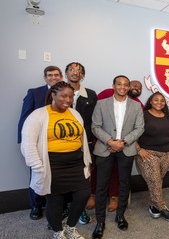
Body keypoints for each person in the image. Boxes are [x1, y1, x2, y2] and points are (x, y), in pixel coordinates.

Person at [20, 81, 91, 239]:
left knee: (83, 194)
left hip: (75, 163)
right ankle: (58, 232)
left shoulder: (75, 114)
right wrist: (38, 168)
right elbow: (28, 144)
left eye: (71, 96)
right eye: (63, 96)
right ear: (53, 95)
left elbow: (82, 139)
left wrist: (87, 161)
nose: (67, 100)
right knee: (55, 201)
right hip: (52, 165)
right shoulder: (38, 115)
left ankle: (70, 227)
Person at [91, 75, 144, 238]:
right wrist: (110, 141)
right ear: (113, 85)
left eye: (125, 85)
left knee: (124, 184)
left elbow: (140, 128)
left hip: (126, 149)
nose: (122, 87)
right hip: (105, 148)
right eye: (119, 84)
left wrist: (123, 142)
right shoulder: (101, 103)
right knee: (101, 186)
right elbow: (95, 126)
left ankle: (120, 216)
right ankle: (100, 221)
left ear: (128, 87)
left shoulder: (136, 106)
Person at [18, 65, 63, 220]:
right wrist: (24, 143)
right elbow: (24, 118)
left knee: (56, 176)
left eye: (56, 75)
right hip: (38, 143)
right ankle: (36, 206)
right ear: (45, 78)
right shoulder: (35, 92)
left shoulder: (65, 94)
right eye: (50, 75)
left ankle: (57, 206)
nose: (53, 78)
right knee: (37, 174)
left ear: (61, 77)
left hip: (58, 143)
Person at [136, 92, 169, 221]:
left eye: (162, 100)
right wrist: (139, 150)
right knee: (155, 180)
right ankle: (162, 207)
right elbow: (132, 134)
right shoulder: (142, 116)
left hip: (167, 154)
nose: (159, 102)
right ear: (150, 101)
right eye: (156, 100)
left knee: (157, 181)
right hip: (148, 154)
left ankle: (153, 206)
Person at [65, 62, 97, 225]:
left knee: (84, 176)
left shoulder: (90, 94)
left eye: (79, 71)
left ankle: (80, 208)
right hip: (62, 142)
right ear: (66, 73)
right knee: (63, 176)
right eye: (72, 69)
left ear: (82, 75)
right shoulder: (58, 92)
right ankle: (63, 209)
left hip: (85, 142)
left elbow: (95, 120)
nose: (75, 73)